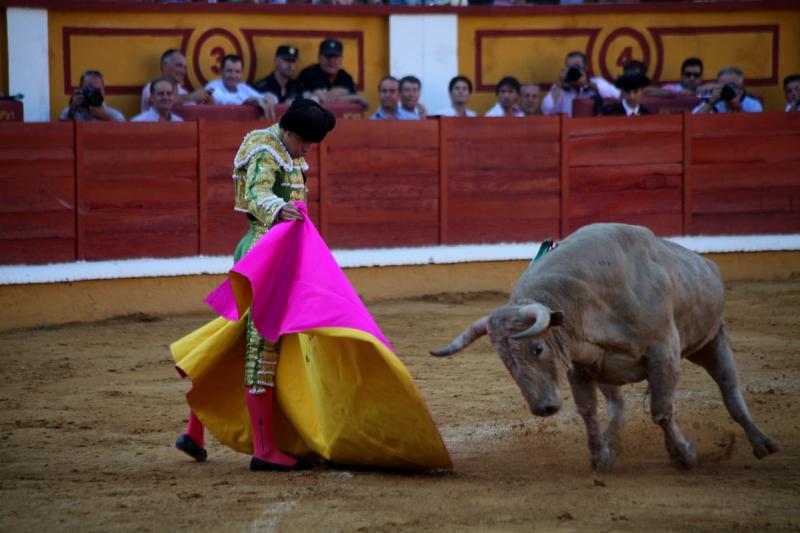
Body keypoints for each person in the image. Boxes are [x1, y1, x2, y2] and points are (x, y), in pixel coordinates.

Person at [174, 98, 336, 472]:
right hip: (265, 255)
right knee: (262, 349)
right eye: (305, 143)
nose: (308, 150)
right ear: (291, 131)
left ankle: (193, 433)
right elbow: (257, 192)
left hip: (279, 253)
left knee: (236, 344)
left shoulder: (286, 147)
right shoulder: (265, 148)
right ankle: (264, 450)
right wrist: (280, 209)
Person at [541, 51, 620, 117]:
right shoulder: (561, 88)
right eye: (570, 68)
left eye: (577, 68)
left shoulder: (596, 82)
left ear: (586, 68)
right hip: (568, 131)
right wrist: (559, 82)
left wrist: (587, 84)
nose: (573, 71)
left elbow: (618, 94)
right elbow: (546, 109)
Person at [297, 39, 369, 109]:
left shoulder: (345, 77)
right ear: (319, 57)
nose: (331, 61)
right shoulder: (309, 73)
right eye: (328, 57)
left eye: (335, 57)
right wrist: (355, 98)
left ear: (341, 59)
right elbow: (325, 99)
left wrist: (355, 97)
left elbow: (362, 101)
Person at [205, 54, 278, 120]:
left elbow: (266, 98)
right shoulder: (212, 86)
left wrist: (270, 97)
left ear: (241, 73)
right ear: (221, 72)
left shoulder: (243, 87)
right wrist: (248, 101)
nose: (233, 76)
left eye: (237, 72)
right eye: (229, 71)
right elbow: (225, 101)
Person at [140, 49, 212, 113]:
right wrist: (192, 97)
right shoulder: (150, 88)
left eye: (185, 68)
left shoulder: (183, 92)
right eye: (179, 66)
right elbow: (160, 102)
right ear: (165, 65)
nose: (183, 71)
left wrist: (203, 100)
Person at [59, 70, 125, 122]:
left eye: (98, 90)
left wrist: (107, 118)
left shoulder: (116, 116)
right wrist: (72, 112)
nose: (94, 93)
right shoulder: (68, 112)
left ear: (103, 91)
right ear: (80, 91)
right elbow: (63, 135)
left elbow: (124, 135)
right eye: (89, 89)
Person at [692, 66, 763, 114]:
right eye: (724, 86)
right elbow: (693, 121)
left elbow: (754, 128)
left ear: (741, 87)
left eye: (732, 86)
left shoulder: (752, 104)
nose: (727, 89)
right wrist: (711, 103)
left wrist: (738, 108)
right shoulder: (715, 100)